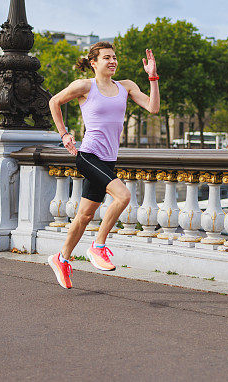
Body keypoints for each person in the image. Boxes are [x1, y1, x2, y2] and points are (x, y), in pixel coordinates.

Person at [46, 41, 159, 289]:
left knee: (85, 215)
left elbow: (153, 107)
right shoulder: (85, 86)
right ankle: (98, 246)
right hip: (88, 156)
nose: (112, 61)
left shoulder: (125, 87)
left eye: (114, 57)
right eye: (106, 57)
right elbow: (54, 102)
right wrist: (64, 134)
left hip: (109, 160)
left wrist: (153, 77)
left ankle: (61, 258)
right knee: (124, 196)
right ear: (93, 62)